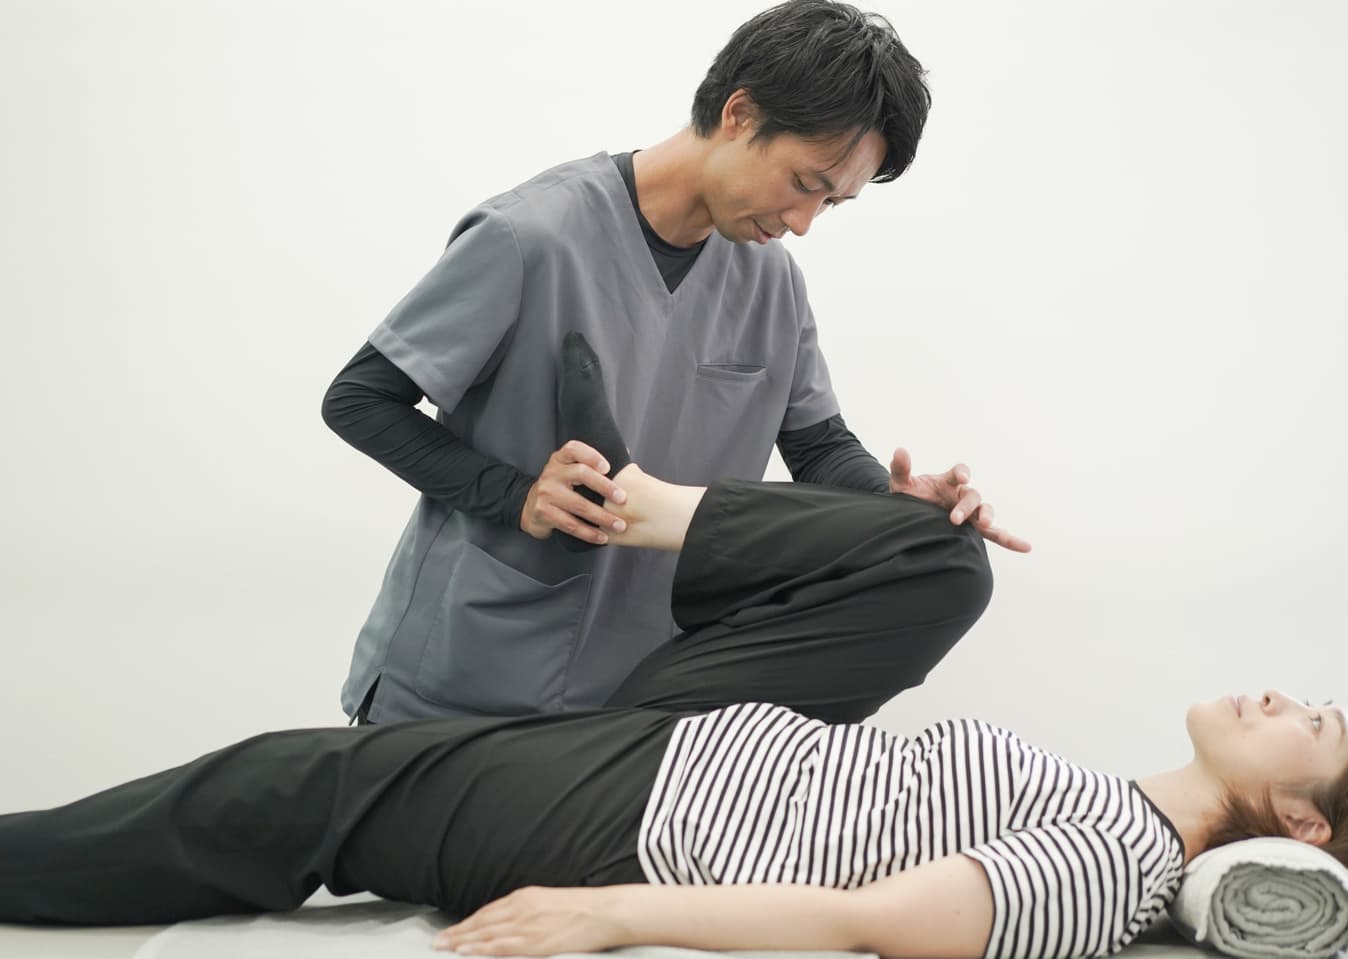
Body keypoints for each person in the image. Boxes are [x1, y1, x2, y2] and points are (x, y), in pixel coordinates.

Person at [1, 338, 1348, 959]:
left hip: (649, 808)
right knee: (939, 549)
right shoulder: (1124, 824)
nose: (1278, 694)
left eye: (1310, 723)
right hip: (704, 734)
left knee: (293, 786)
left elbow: (883, 925)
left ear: (1302, 820)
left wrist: (607, 914)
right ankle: (641, 500)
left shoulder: (1114, 862)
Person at [319, 0, 1028, 727]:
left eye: (832, 204)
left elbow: (818, 446)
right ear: (740, 114)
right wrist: (516, 495)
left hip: (639, 694)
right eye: (805, 183)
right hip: (462, 678)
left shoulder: (772, 282)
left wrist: (892, 503)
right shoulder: (531, 237)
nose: (803, 223)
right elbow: (360, 398)